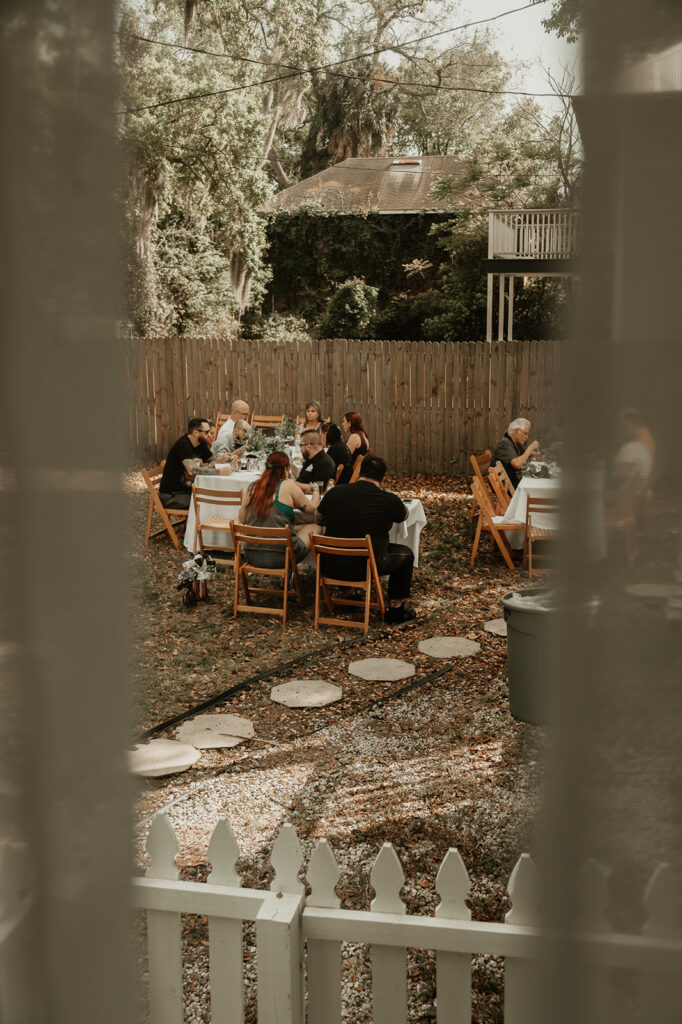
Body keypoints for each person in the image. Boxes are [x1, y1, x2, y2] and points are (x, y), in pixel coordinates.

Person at [316, 454, 416, 625]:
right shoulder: (388, 499)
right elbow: (403, 515)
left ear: (360, 472)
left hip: (330, 564)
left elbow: (319, 518)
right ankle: (396, 610)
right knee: (406, 555)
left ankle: (348, 593)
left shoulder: (335, 492)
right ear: (382, 478)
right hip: (366, 566)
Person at [238, 452, 321, 567]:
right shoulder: (288, 486)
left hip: (252, 555)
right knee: (316, 526)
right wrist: (316, 490)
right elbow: (313, 508)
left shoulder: (252, 487)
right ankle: (308, 569)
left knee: (289, 527)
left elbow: (242, 520)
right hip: (283, 557)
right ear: (286, 469)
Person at [159, 417, 230, 509]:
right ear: (196, 433)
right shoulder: (183, 445)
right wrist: (219, 471)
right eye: (207, 432)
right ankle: (198, 523)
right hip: (172, 495)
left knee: (217, 496)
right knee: (209, 502)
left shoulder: (201, 443)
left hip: (188, 490)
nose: (210, 435)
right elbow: (193, 471)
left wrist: (222, 459)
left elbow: (211, 461)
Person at [491, 417, 540, 489]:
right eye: (525, 434)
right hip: (504, 486)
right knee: (536, 485)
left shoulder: (516, 443)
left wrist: (541, 454)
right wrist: (530, 447)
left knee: (537, 481)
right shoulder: (504, 444)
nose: (527, 437)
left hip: (512, 481)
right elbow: (517, 464)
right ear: (517, 431)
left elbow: (524, 456)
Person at [338, 411, 370, 483]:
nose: (343, 424)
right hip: (357, 472)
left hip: (348, 475)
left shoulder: (354, 437)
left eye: (344, 421)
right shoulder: (363, 434)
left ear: (349, 423)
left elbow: (344, 457)